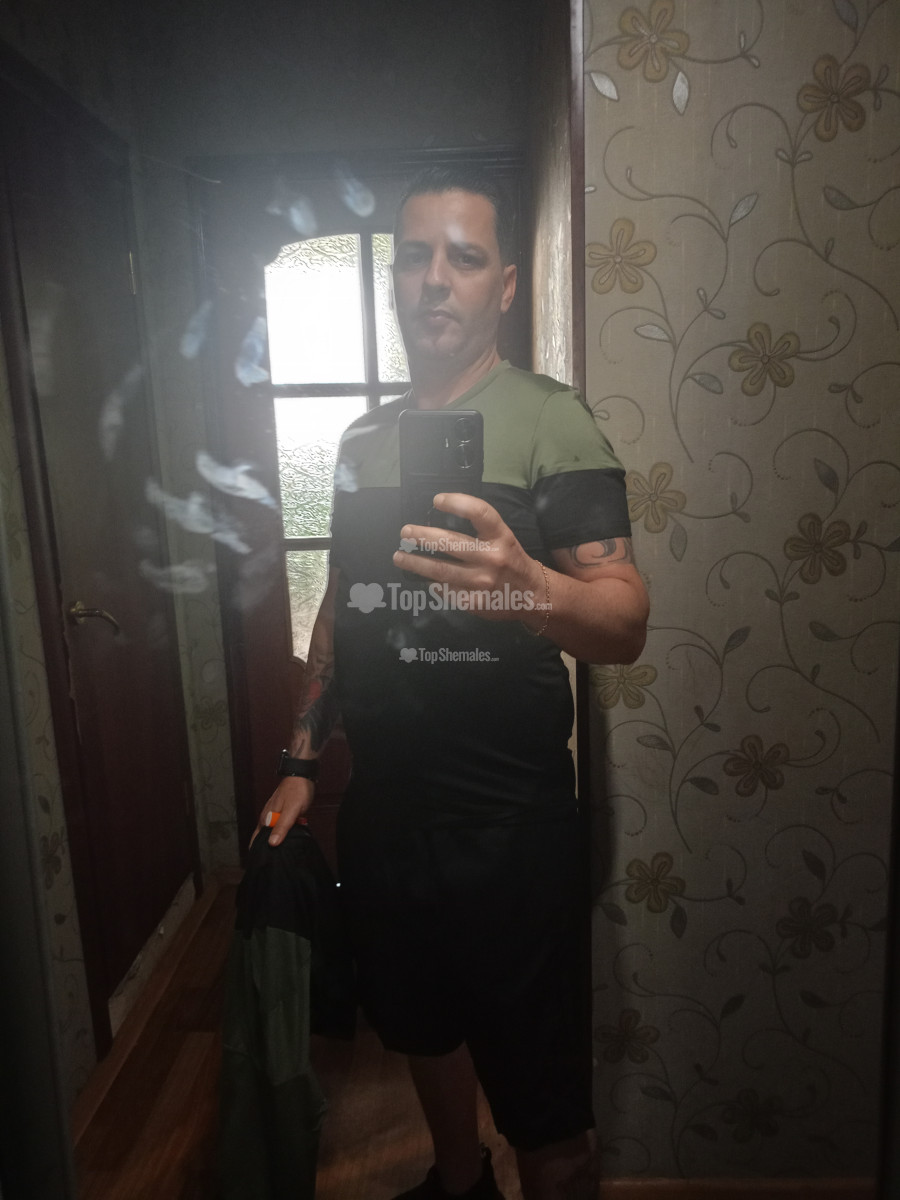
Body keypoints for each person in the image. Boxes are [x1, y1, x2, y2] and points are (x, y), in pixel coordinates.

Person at [256, 166, 649, 1200]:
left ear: (504, 286)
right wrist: (302, 760)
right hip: (386, 813)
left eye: (465, 258)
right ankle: (458, 1179)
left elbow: (624, 623)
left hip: (509, 824)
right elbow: (342, 606)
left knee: (544, 1098)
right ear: (394, 280)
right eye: (415, 257)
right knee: (419, 1025)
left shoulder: (553, 421)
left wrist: (527, 587)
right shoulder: (358, 441)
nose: (436, 279)